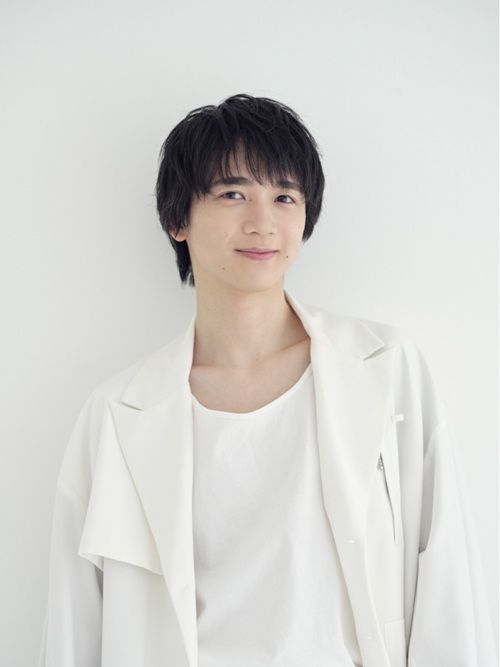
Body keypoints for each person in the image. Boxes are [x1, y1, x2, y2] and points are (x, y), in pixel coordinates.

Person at [39, 94, 496, 667]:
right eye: (233, 194)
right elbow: (74, 626)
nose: (263, 223)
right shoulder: (117, 414)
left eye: (285, 196)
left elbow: (447, 579)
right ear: (178, 220)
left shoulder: (384, 368)